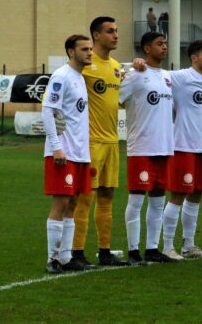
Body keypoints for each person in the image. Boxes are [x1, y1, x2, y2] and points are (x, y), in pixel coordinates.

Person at [71, 16, 127, 267]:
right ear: (96, 35)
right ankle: (76, 252)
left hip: (112, 142)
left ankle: (104, 251)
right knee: (85, 198)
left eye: (116, 31)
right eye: (110, 31)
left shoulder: (116, 66)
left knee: (107, 196)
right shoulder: (84, 65)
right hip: (91, 142)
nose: (115, 35)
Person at [160, 41, 202, 260]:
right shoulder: (180, 77)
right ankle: (167, 246)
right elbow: (156, 74)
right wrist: (139, 64)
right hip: (183, 146)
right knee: (178, 195)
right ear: (194, 58)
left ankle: (189, 245)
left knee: (196, 196)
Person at [120, 32, 174, 264]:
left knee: (158, 200)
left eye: (165, 43)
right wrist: (127, 69)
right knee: (136, 199)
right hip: (141, 146)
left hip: (164, 147)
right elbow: (117, 98)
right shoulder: (135, 75)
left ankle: (152, 248)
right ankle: (133, 250)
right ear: (146, 49)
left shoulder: (169, 77)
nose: (164, 47)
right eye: (159, 44)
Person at [43, 35, 94, 273]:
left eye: (90, 49)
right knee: (61, 203)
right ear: (71, 52)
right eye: (84, 49)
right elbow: (48, 111)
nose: (90, 53)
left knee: (73, 203)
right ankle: (52, 259)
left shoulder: (79, 78)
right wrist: (56, 146)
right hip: (64, 151)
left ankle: (65, 257)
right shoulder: (61, 76)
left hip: (80, 153)